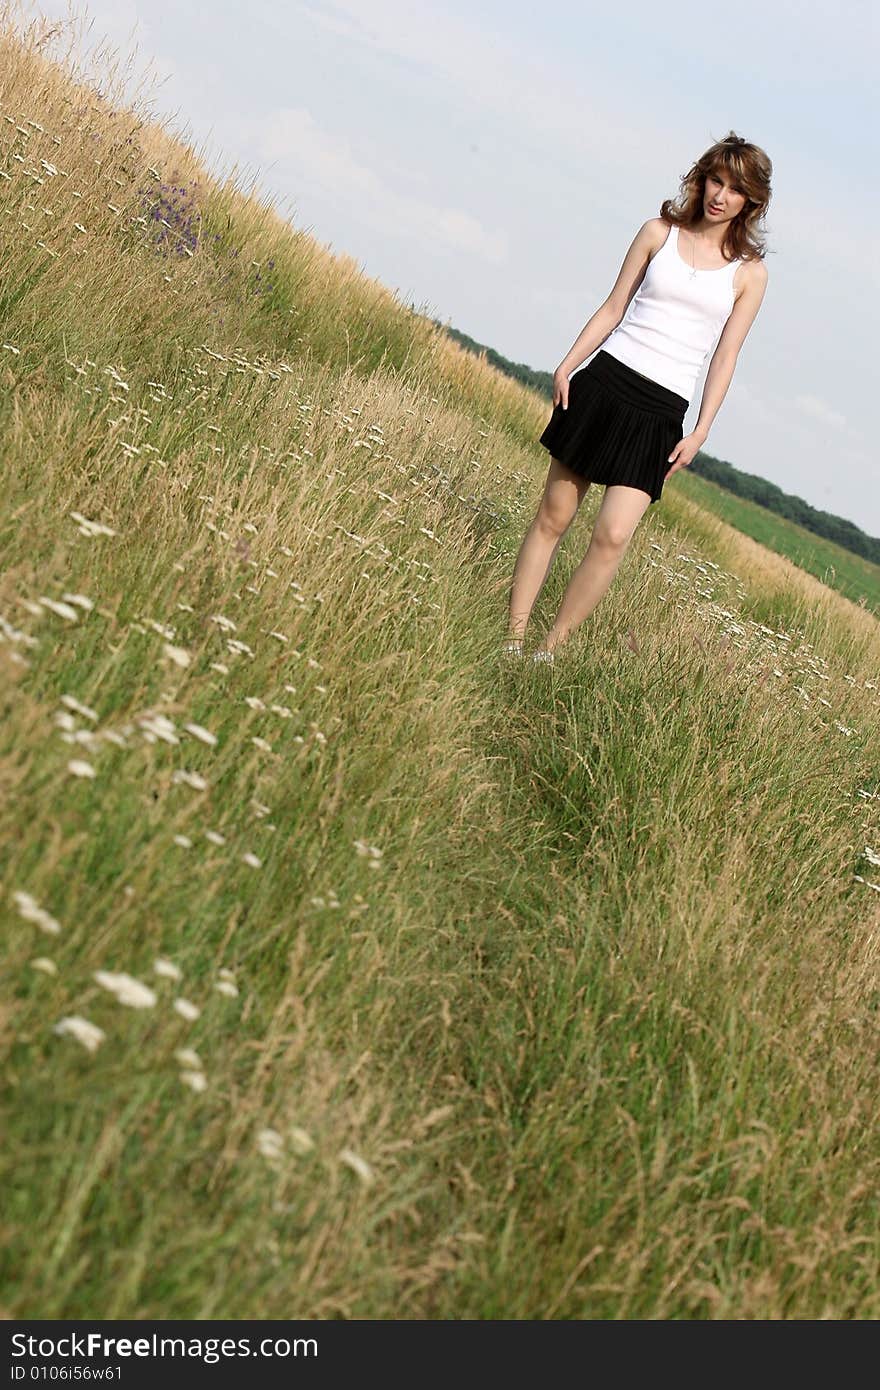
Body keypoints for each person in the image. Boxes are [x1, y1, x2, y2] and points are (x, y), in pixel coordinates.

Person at [504, 131, 772, 666]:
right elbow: (613, 307)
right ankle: (512, 639)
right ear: (701, 180)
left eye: (734, 188)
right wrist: (567, 364)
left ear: (750, 201)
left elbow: (726, 357)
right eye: (715, 180)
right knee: (554, 517)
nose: (720, 195)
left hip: (662, 412)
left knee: (613, 535)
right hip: (606, 383)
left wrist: (700, 431)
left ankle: (548, 651)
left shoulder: (750, 275)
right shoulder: (658, 233)